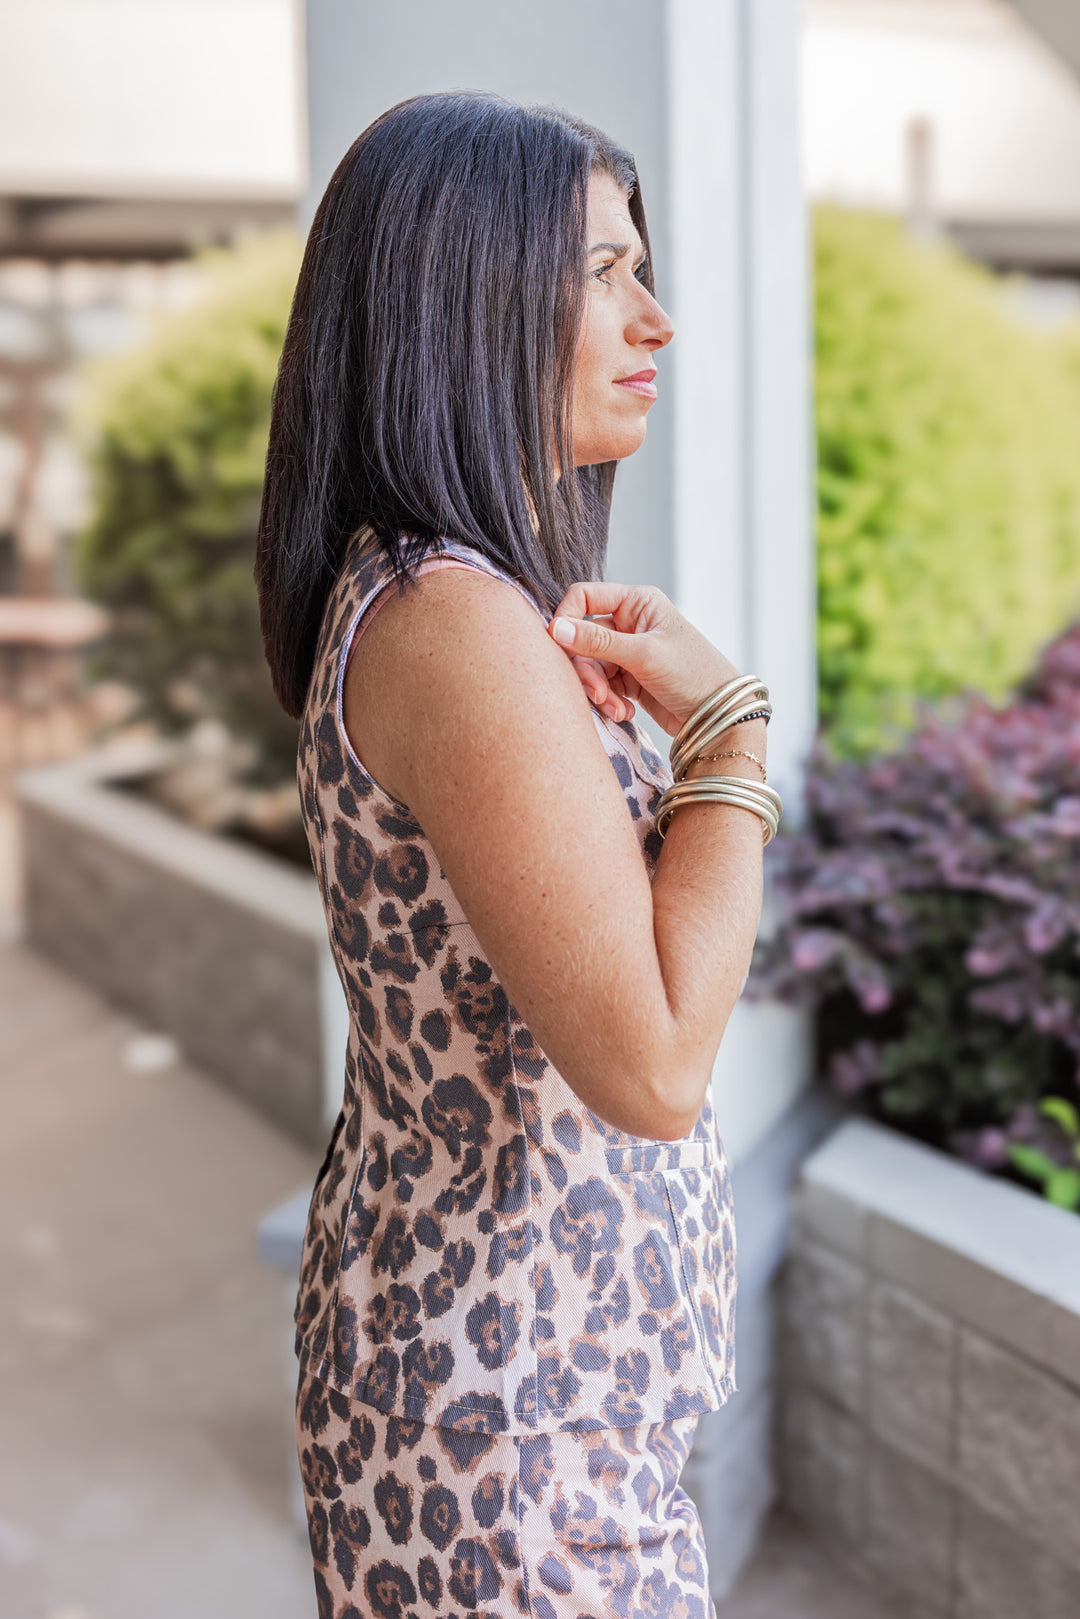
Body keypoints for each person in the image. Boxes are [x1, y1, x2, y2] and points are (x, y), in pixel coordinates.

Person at [256, 90, 776, 1619]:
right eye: (606, 273)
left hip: (520, 1408)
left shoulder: (444, 597)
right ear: (466, 298)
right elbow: (654, 1065)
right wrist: (732, 735)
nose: (656, 317)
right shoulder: (456, 625)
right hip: (510, 1456)